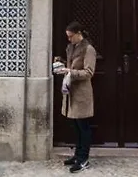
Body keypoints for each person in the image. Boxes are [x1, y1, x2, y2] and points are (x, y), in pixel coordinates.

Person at [57, 21, 95, 173]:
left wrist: (70, 72)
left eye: (71, 36)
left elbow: (89, 72)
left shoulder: (88, 49)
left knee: (83, 127)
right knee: (76, 127)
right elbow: (71, 65)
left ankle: (84, 159)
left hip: (81, 94)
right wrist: (61, 64)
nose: (69, 39)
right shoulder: (71, 47)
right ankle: (77, 155)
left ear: (79, 33)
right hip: (70, 91)